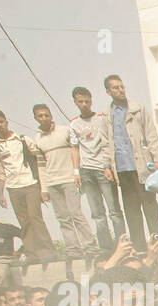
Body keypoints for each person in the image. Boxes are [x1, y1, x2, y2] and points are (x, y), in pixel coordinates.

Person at [30, 103, 97, 267]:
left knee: (76, 214)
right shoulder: (37, 139)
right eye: (40, 116)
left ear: (51, 115)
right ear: (36, 118)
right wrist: (44, 188)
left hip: (69, 179)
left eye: (46, 115)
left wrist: (77, 173)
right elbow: (40, 165)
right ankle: (73, 248)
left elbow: (76, 151)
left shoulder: (65, 131)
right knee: (63, 218)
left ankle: (90, 246)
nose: (44, 118)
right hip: (53, 183)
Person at [102, 74, 158, 247]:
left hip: (142, 166)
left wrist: (157, 161)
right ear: (108, 91)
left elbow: (151, 135)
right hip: (122, 169)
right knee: (131, 210)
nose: (120, 90)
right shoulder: (107, 115)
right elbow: (106, 143)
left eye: (122, 86)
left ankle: (157, 242)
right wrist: (107, 166)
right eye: (115, 88)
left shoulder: (138, 109)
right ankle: (139, 246)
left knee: (150, 206)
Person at [0, 109, 55, 264]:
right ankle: (32, 253)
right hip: (13, 188)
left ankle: (47, 252)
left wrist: (43, 187)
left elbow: (39, 160)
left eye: (1, 121)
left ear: (6, 121)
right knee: (24, 222)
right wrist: (1, 194)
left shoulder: (22, 140)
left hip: (30, 184)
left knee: (35, 218)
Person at [69, 86, 126, 256]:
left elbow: (110, 141)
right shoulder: (74, 124)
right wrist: (76, 172)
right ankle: (106, 248)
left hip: (104, 169)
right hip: (86, 172)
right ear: (75, 102)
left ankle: (122, 244)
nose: (85, 104)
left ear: (91, 100)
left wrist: (109, 166)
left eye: (87, 101)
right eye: (81, 101)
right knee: (97, 214)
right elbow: (74, 148)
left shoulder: (101, 118)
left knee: (114, 210)